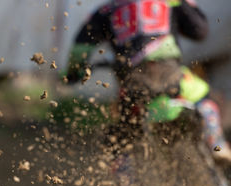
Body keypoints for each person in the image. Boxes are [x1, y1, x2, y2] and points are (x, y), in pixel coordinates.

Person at [63, 0, 231, 164]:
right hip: (173, 80)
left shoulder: (105, 11)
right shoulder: (169, 2)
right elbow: (200, 31)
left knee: (116, 145)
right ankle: (216, 144)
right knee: (205, 98)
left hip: (134, 90)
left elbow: (80, 48)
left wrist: (73, 73)